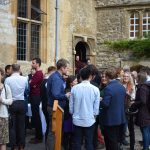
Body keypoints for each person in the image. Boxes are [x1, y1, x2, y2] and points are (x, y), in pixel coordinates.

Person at [69, 66, 100, 150]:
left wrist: (73, 114)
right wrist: (93, 115)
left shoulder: (74, 89)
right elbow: (96, 108)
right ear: (90, 76)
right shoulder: (95, 89)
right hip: (89, 120)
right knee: (89, 142)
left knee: (77, 142)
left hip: (77, 119)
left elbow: (71, 107)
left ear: (81, 77)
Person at [46, 58, 70, 150]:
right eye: (67, 68)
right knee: (53, 131)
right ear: (62, 68)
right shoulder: (56, 78)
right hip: (55, 108)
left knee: (54, 131)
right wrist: (65, 95)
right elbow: (56, 94)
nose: (68, 70)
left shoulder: (56, 77)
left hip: (55, 107)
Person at [100, 68, 126, 150]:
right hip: (120, 118)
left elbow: (105, 104)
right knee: (115, 141)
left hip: (110, 119)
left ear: (107, 77)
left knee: (111, 142)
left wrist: (100, 100)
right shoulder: (121, 87)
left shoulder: (108, 88)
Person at [5, 64, 28, 150]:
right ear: (19, 69)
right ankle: (21, 145)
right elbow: (26, 90)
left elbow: (6, 90)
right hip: (21, 102)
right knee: (21, 125)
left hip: (12, 102)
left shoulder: (8, 79)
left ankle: (14, 146)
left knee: (12, 125)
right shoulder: (24, 79)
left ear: (11, 69)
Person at [131, 72, 150, 150]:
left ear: (140, 78)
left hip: (144, 113)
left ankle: (145, 148)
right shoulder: (147, 86)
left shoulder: (143, 88)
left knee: (145, 131)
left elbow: (143, 101)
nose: (135, 79)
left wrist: (134, 103)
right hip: (148, 111)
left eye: (137, 78)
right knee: (147, 131)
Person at [29, 58, 44, 144]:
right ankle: (37, 136)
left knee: (36, 117)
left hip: (35, 96)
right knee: (35, 116)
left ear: (37, 64)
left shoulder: (38, 73)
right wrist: (32, 83)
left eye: (33, 63)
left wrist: (32, 83)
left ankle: (39, 137)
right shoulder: (37, 73)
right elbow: (31, 83)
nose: (32, 64)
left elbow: (31, 83)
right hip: (34, 96)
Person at [40, 66, 56, 142]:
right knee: (50, 127)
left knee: (48, 125)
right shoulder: (49, 81)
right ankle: (48, 144)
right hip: (49, 105)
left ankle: (47, 143)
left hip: (44, 104)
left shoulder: (43, 81)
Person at [63, 75, 78, 150]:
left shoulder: (77, 89)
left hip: (74, 114)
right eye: (75, 81)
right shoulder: (67, 90)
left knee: (73, 133)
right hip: (68, 114)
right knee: (67, 133)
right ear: (71, 83)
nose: (77, 82)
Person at [0, 67, 13, 150]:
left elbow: (11, 101)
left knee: (3, 141)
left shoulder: (6, 87)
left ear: (1, 75)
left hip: (3, 116)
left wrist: (2, 100)